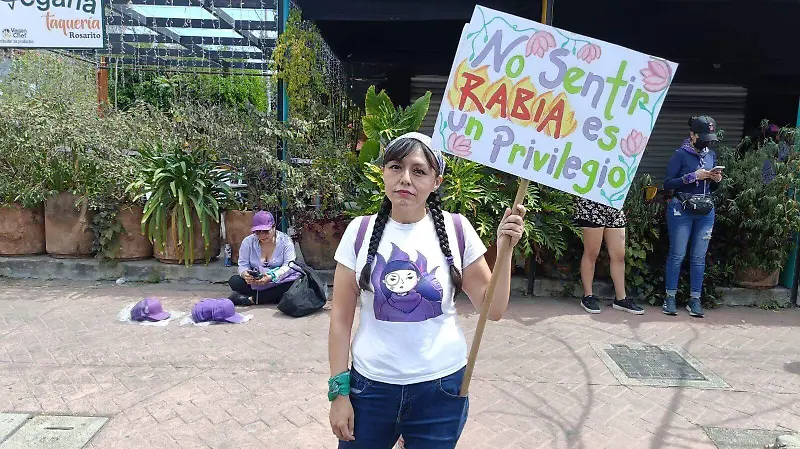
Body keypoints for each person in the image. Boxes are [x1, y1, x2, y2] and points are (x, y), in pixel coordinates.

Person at [327, 132, 526, 448]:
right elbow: (339, 321)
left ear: (437, 181)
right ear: (384, 172)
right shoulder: (359, 231)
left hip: (441, 389)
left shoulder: (457, 229)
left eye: (418, 171)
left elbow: (495, 309)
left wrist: (505, 251)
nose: (404, 178)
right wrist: (339, 393)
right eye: (395, 167)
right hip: (370, 390)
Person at [662, 116, 723, 318]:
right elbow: (668, 184)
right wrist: (693, 176)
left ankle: (694, 299)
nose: (706, 141)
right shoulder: (680, 154)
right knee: (677, 254)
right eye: (702, 137)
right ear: (692, 135)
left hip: (705, 211)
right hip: (682, 209)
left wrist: (715, 179)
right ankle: (669, 298)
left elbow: (710, 186)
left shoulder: (711, 155)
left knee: (698, 257)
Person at [573, 197, 643, 315]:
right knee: (591, 253)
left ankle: (621, 298)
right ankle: (588, 296)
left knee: (619, 255)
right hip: (592, 203)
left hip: (614, 203)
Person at [228, 211, 300, 306]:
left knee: (294, 282)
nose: (262, 236)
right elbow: (243, 265)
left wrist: (271, 276)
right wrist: (246, 275)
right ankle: (274, 297)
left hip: (278, 281)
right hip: (255, 282)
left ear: (274, 227)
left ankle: (253, 299)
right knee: (234, 281)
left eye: (266, 231)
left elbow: (289, 265)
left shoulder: (286, 241)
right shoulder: (248, 242)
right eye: (257, 232)